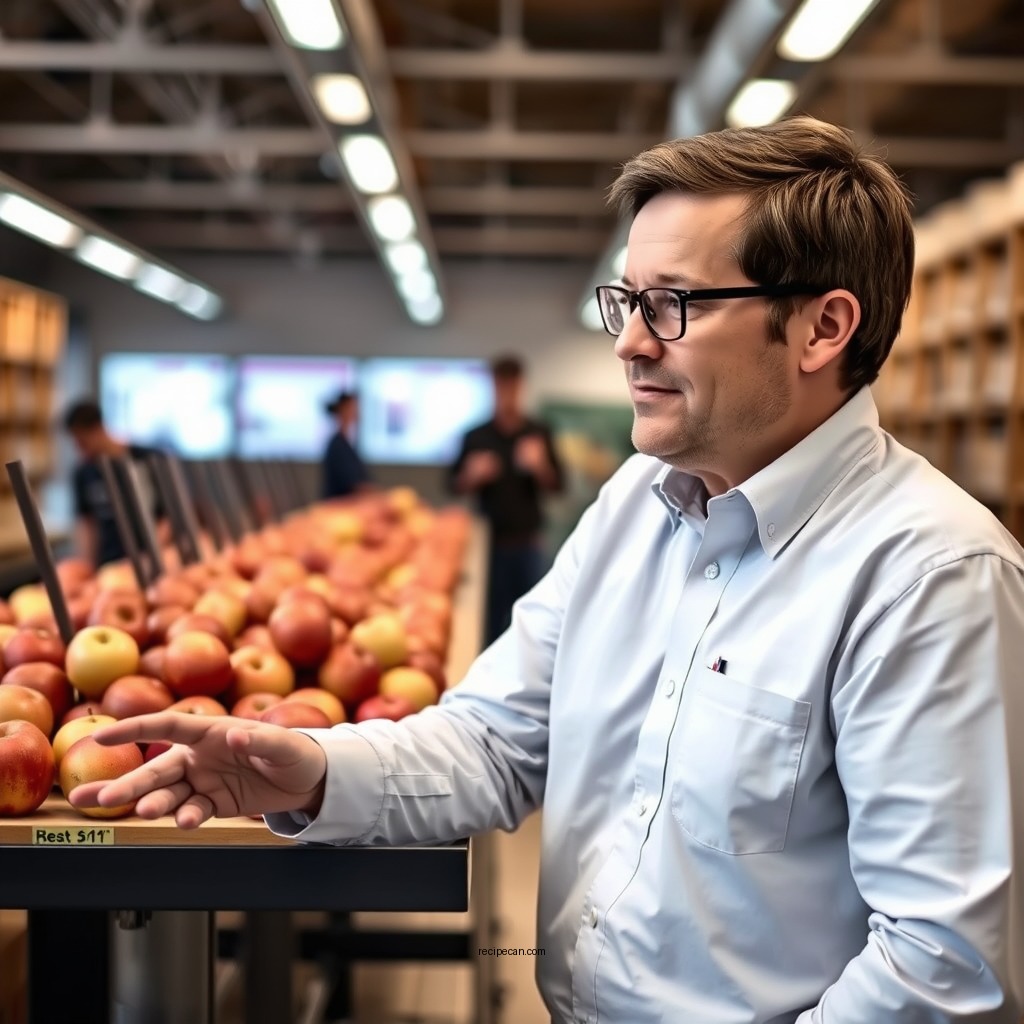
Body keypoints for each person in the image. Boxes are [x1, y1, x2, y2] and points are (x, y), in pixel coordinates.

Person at [70, 116, 1024, 1023]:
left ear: (824, 328)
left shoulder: (932, 581)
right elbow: (497, 738)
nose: (628, 340)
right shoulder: (634, 507)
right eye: (627, 299)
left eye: (672, 305)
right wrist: (312, 772)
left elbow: (945, 966)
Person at [449, 356, 564, 643]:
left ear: (521, 386)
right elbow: (452, 486)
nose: (507, 393)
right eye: (501, 386)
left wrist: (540, 467)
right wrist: (471, 476)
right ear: (493, 386)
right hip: (487, 546)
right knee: (486, 623)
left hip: (528, 543)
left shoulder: (538, 432)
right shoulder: (476, 436)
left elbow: (559, 486)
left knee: (533, 627)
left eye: (513, 386)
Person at [63, 398, 164, 568]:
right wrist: (88, 566)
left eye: (82, 441)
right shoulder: (83, 472)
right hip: (109, 563)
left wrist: (150, 554)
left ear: (98, 429)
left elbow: (166, 517)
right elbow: (86, 524)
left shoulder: (145, 459)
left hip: (150, 559)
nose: (79, 448)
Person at [321, 390, 372, 499]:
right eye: (353, 408)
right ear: (343, 410)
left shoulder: (347, 442)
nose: (357, 412)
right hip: (338, 506)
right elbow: (353, 483)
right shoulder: (337, 445)